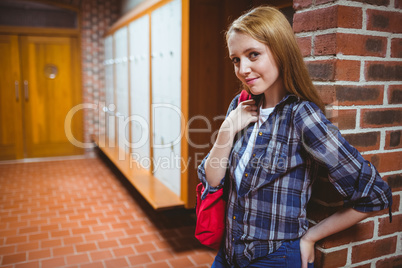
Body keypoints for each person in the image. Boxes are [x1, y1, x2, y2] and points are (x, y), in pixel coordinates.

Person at [197, 6, 392, 268]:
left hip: (275, 258)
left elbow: (374, 194)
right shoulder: (240, 106)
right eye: (236, 59)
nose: (243, 69)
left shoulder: (302, 115)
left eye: (253, 55)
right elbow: (212, 180)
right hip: (229, 254)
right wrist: (226, 130)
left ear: (281, 51)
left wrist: (311, 237)